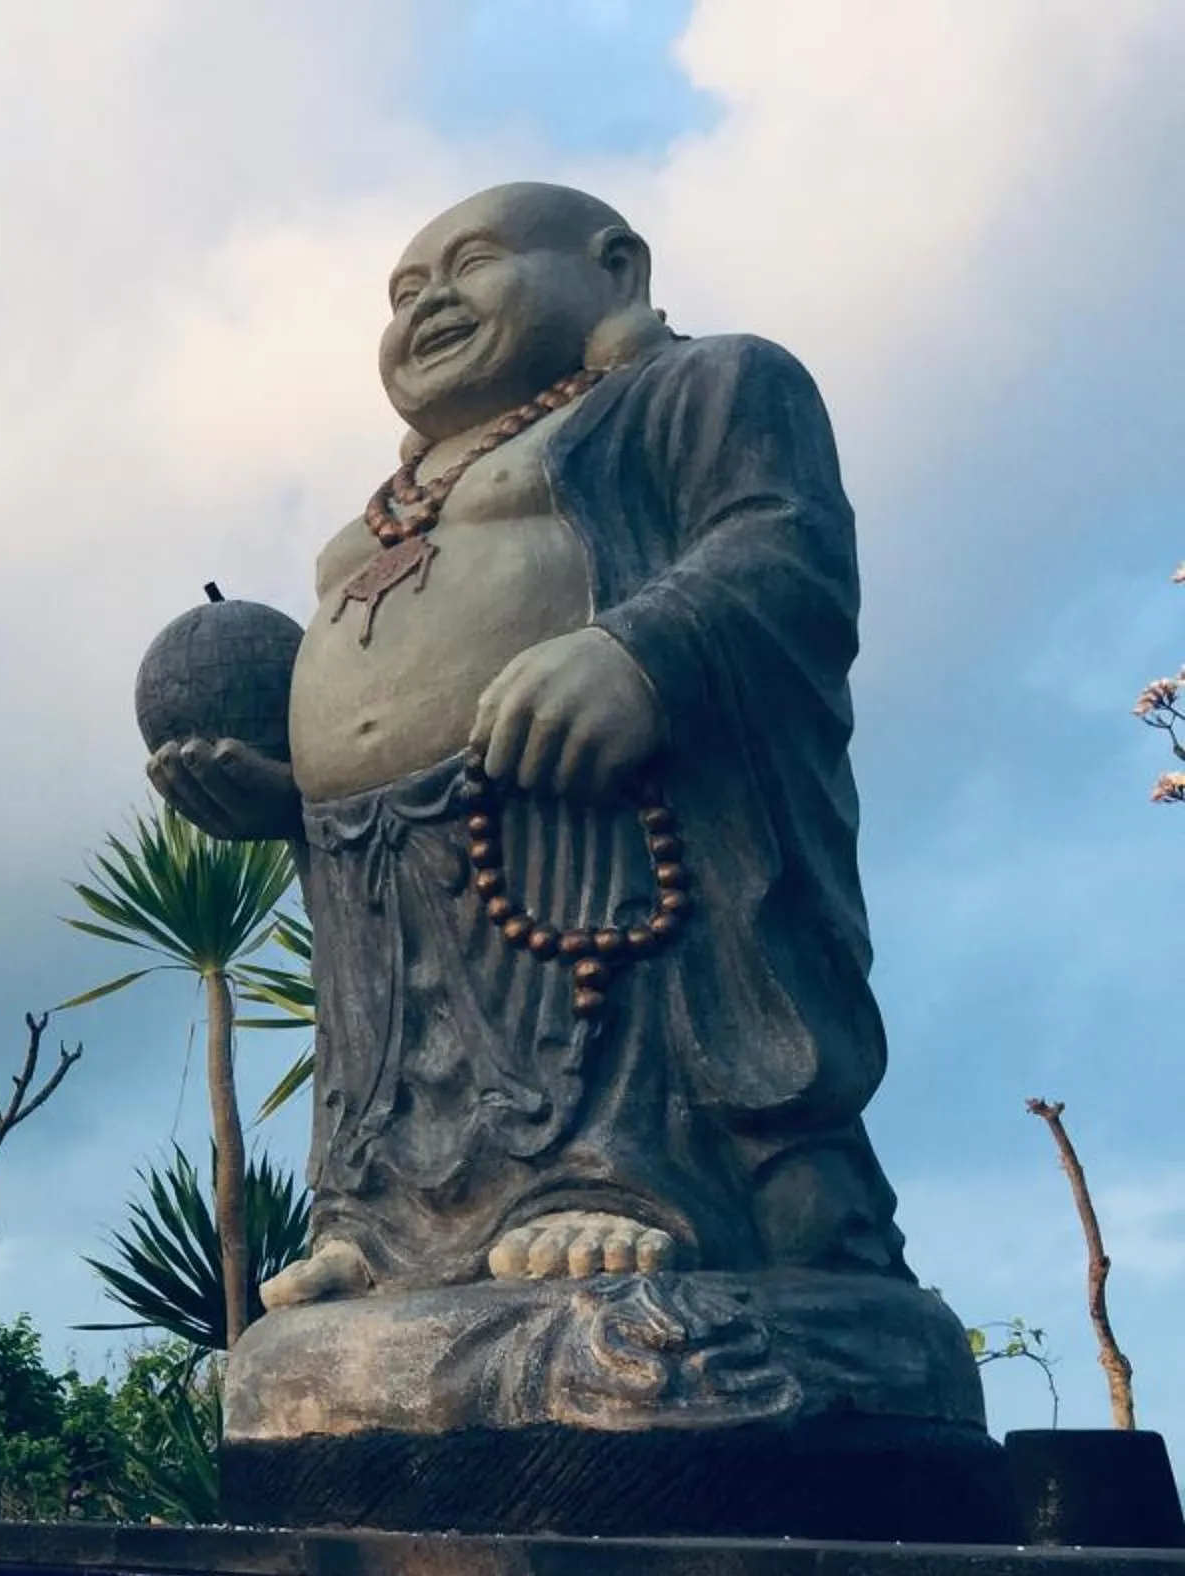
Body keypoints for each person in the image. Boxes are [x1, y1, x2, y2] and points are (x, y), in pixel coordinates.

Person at [152, 181, 910, 1308]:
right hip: (386, 857)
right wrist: (290, 799)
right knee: (390, 1031)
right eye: (404, 293)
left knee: (592, 957)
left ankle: (625, 1180)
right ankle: (388, 1219)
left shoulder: (703, 385)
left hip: (586, 810)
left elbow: (784, 549)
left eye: (469, 264)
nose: (427, 305)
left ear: (619, 270)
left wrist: (642, 652)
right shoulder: (402, 494)